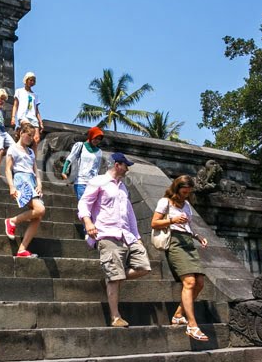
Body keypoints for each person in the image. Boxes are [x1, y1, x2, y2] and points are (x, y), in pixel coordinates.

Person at [78, 152, 151, 327]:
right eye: (126, 165)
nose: (127, 169)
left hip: (127, 235)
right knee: (114, 276)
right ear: (117, 165)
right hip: (107, 233)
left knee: (144, 267)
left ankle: (113, 276)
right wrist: (88, 222)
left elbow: (130, 213)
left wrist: (137, 237)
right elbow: (84, 203)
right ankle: (115, 317)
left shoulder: (122, 187)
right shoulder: (98, 181)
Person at [150, 175, 210, 342]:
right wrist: (173, 219)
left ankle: (178, 315)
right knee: (189, 282)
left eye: (188, 192)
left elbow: (188, 226)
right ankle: (192, 325)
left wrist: (199, 237)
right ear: (176, 189)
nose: (186, 195)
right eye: (184, 191)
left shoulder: (187, 205)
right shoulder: (165, 202)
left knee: (199, 283)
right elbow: (154, 223)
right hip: (175, 242)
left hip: (188, 241)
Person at [3, 121, 44, 258]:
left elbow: (35, 170)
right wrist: (11, 186)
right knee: (40, 209)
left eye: (32, 136)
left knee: (38, 217)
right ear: (21, 133)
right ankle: (12, 221)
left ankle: (22, 249)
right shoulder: (13, 149)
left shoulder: (31, 151)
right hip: (21, 180)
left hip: (32, 181)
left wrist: (39, 184)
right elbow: (8, 169)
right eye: (29, 135)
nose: (30, 138)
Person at [62, 126, 106, 201]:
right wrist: (64, 171)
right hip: (80, 181)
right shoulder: (80, 146)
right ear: (91, 136)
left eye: (99, 139)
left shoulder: (99, 152)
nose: (97, 141)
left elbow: (97, 168)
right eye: (95, 138)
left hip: (93, 183)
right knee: (83, 204)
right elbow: (70, 158)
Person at [12, 72, 42, 148]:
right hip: (23, 116)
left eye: (33, 81)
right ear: (26, 80)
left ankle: (33, 158)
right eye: (30, 80)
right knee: (28, 130)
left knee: (36, 139)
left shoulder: (35, 95)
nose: (32, 82)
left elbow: (37, 110)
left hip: (33, 117)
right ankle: (19, 135)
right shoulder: (19, 91)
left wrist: (40, 122)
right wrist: (13, 117)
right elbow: (15, 105)